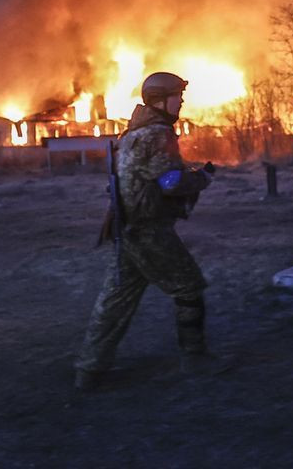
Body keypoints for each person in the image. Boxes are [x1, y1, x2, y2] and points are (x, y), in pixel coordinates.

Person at [74, 71, 225, 390]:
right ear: (160, 100)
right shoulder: (158, 133)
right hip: (148, 231)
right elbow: (170, 182)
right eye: (177, 96)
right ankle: (195, 358)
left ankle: (88, 371)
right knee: (189, 287)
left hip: (126, 229)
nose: (181, 101)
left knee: (115, 301)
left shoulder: (131, 133)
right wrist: (203, 178)